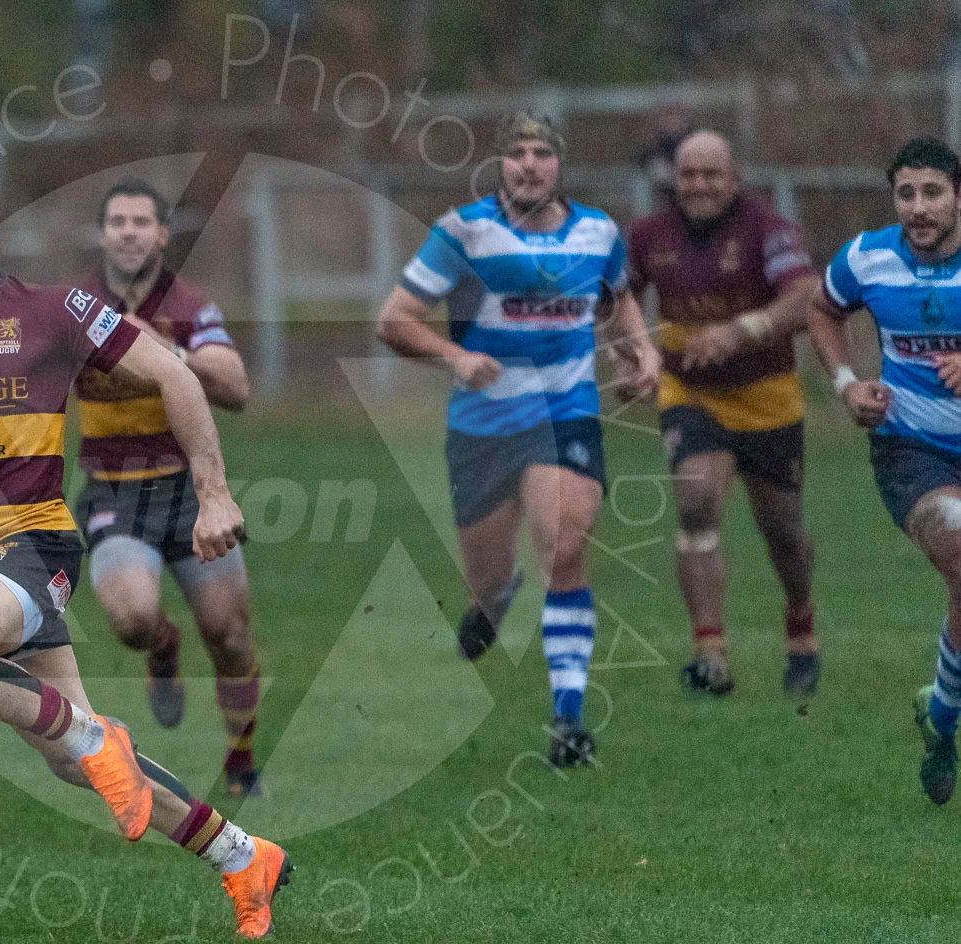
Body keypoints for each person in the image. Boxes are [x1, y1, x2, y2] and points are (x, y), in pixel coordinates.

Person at [0, 155, 290, 936]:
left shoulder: (57, 308)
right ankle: (243, 857)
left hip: (33, 546)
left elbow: (176, 376)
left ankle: (92, 735)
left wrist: (213, 491)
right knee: (70, 760)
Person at [377, 112, 659, 767]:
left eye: (541, 153)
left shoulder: (597, 233)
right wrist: (455, 358)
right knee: (489, 571)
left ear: (559, 164)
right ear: (500, 165)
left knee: (564, 544)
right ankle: (493, 598)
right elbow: (394, 321)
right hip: (481, 428)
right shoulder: (465, 231)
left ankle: (568, 718)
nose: (529, 165)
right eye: (516, 154)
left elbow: (618, 297)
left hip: (564, 412)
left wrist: (638, 353)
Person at [71, 179, 263, 795]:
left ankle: (240, 763)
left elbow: (235, 388)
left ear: (162, 234)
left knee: (230, 636)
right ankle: (161, 646)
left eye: (141, 221)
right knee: (131, 618)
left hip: (188, 492)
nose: (129, 231)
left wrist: (159, 347)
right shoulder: (72, 308)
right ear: (102, 234)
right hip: (113, 493)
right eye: (118, 221)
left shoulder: (189, 304)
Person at [628, 130, 822, 698]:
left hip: (768, 397)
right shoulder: (647, 233)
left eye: (712, 174)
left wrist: (742, 330)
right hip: (690, 394)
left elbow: (807, 297)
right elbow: (615, 299)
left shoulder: (769, 228)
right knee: (695, 502)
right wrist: (633, 352)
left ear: (734, 178)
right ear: (674, 178)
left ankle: (800, 620)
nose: (699, 185)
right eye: (689, 174)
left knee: (783, 531)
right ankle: (709, 652)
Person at [808, 137, 961, 805]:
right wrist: (845, 383)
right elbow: (821, 309)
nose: (919, 207)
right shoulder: (868, 257)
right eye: (907, 193)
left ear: (958, 195)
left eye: (932, 192)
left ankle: (942, 717)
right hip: (912, 450)